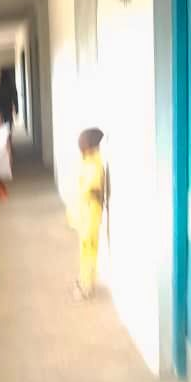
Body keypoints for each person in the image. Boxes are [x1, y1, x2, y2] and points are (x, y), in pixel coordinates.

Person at [69, 127, 106, 299]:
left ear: (90, 146)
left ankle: (86, 286)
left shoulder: (94, 164)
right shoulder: (88, 161)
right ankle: (84, 280)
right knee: (85, 250)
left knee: (89, 251)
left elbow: (92, 189)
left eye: (83, 145)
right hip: (84, 214)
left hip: (90, 214)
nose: (81, 148)